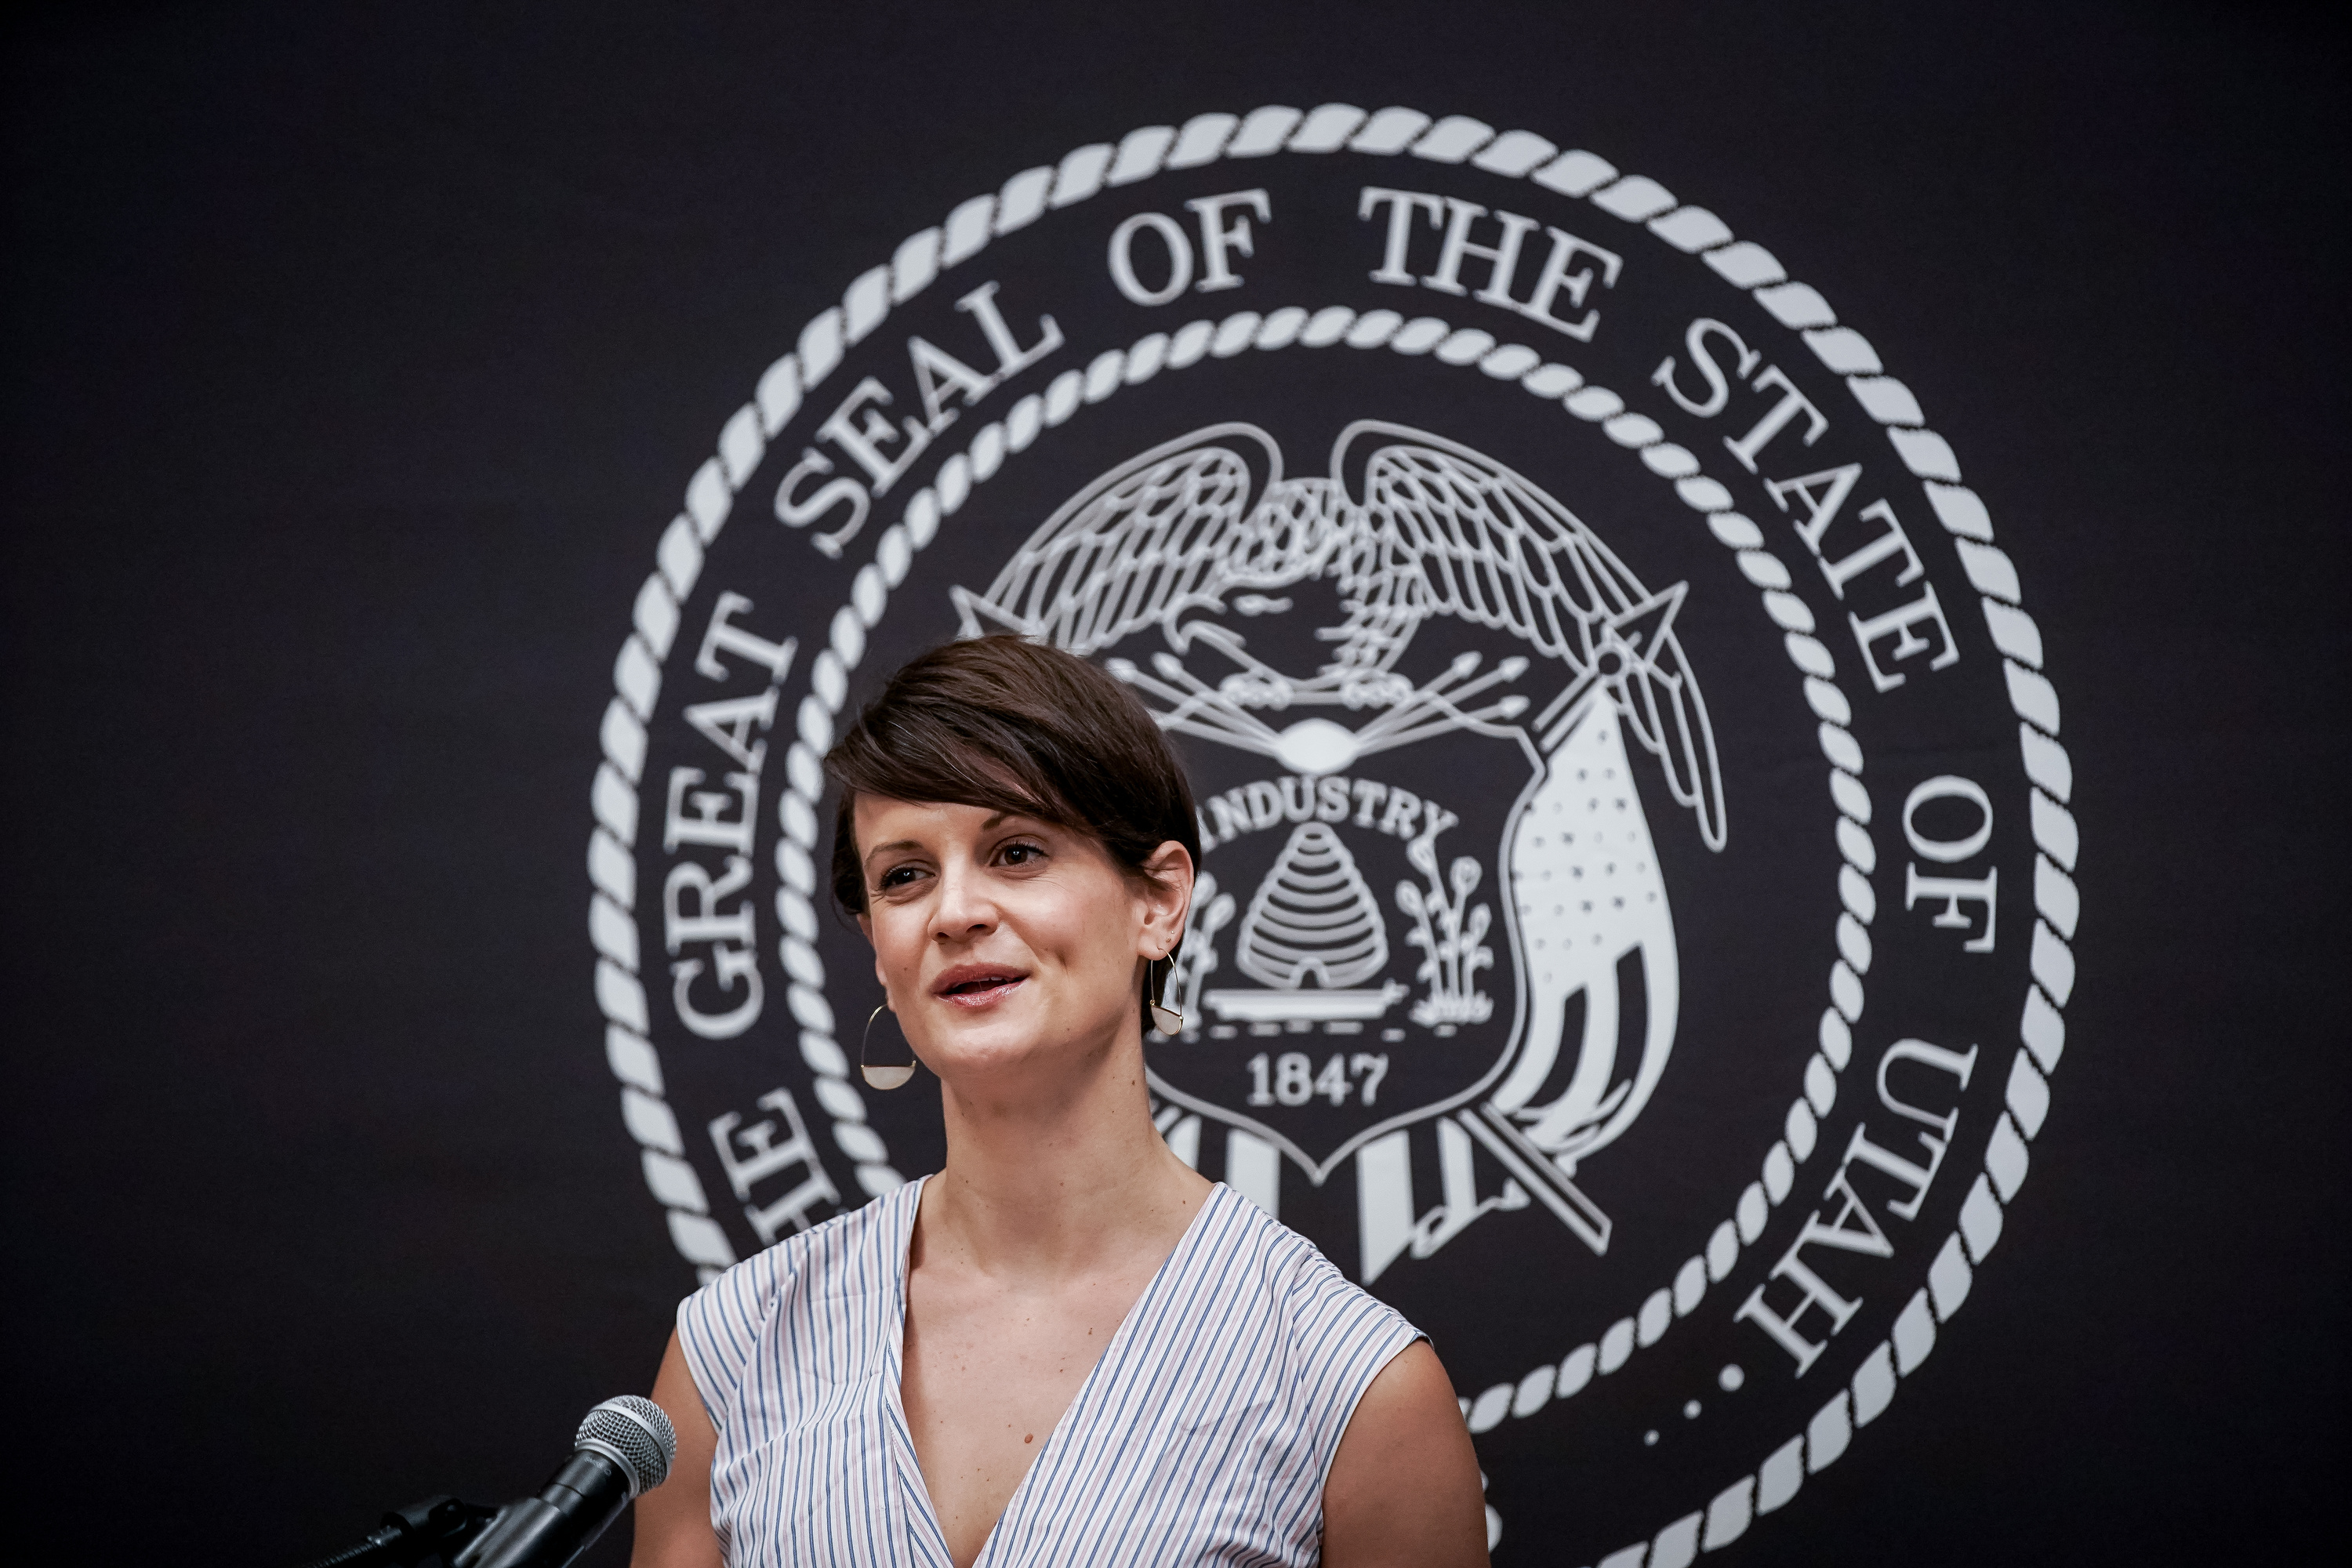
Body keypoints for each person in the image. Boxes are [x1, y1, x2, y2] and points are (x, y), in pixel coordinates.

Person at [632, 635, 1490, 1568]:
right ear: (880, 946)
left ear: (1158, 899)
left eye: (1017, 851)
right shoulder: (737, 1343)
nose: (954, 911)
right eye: (905, 874)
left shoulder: (1354, 1383)